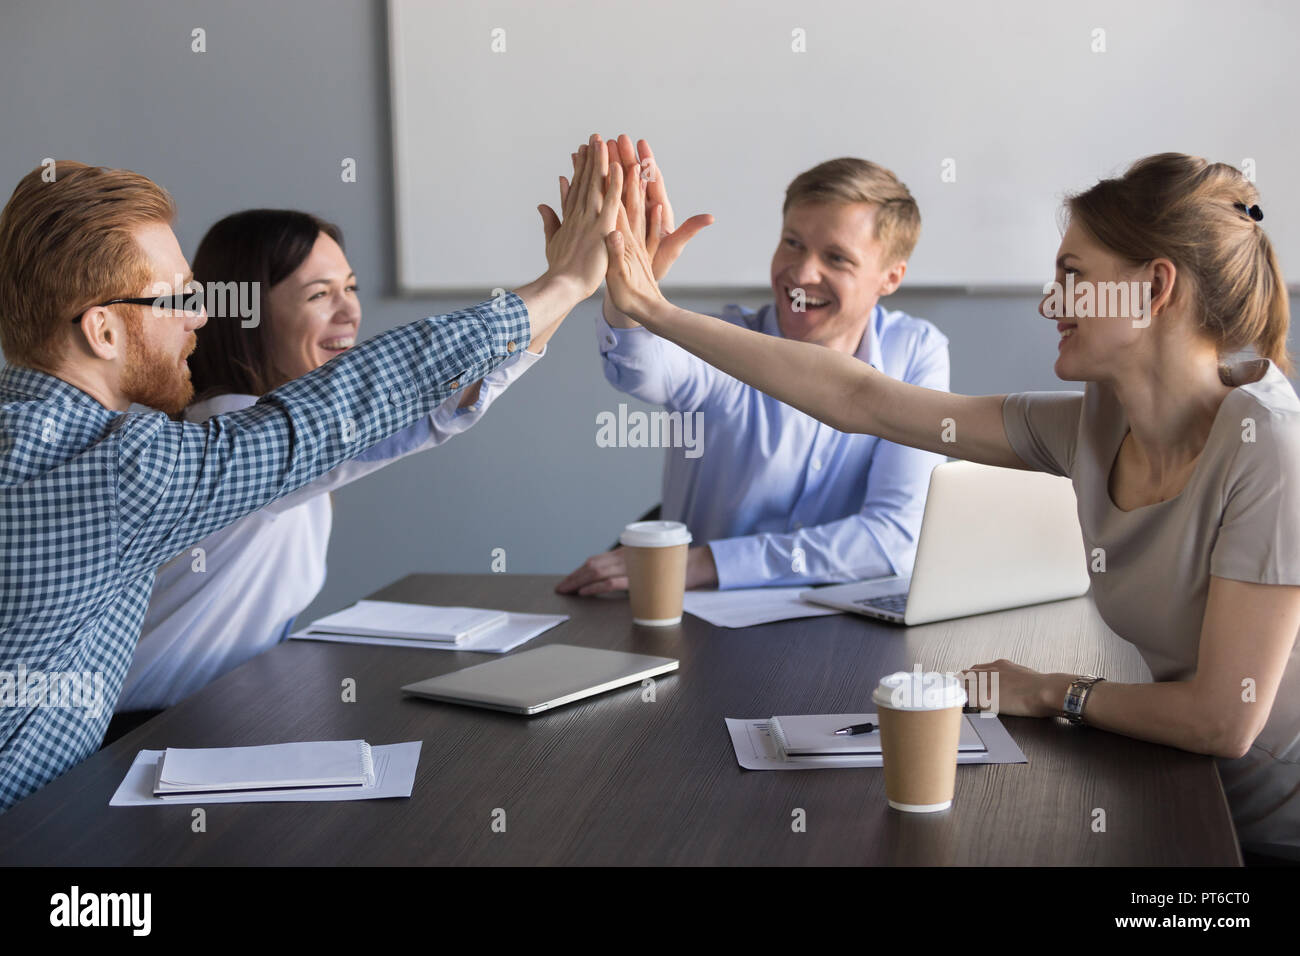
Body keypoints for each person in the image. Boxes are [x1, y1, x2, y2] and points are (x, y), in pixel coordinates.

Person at [601, 148, 1300, 861]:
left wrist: (1047, 690)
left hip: (1265, 835)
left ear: (1153, 288)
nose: (1048, 303)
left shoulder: (1267, 441)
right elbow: (860, 398)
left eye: (1072, 277)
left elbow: (1223, 721)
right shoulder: (1093, 426)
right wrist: (651, 310)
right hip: (1178, 796)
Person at [0, 135, 623, 811]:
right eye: (175, 299)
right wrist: (561, 286)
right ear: (104, 332)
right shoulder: (123, 470)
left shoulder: (41, 436)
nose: (202, 316)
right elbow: (342, 409)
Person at [109, 210, 551, 727]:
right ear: (247, 314)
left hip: (222, 713)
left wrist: (572, 283)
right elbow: (438, 405)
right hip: (145, 736)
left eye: (351, 287)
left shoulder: (270, 428)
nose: (349, 313)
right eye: (319, 295)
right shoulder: (232, 428)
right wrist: (565, 281)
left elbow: (447, 400)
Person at [558, 136, 950, 596]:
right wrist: (632, 295)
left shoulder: (916, 351)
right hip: (702, 625)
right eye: (793, 243)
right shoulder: (724, 342)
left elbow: (894, 538)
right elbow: (639, 367)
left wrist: (707, 563)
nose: (802, 274)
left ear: (891, 277)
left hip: (840, 635)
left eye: (836, 258)